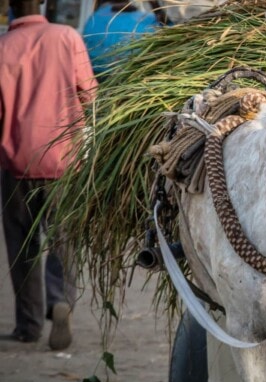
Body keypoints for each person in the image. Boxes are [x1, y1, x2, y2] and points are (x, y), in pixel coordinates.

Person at [0, 0, 97, 350]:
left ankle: (28, 325)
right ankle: (60, 301)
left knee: (22, 246)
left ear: (10, 8)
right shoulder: (66, 37)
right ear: (42, 4)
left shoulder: (2, 47)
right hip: (65, 161)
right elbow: (88, 92)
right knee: (63, 241)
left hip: (16, 164)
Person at [82, 1, 161, 77]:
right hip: (130, 75)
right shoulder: (147, 20)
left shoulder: (95, 18)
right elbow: (165, 26)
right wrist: (155, 4)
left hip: (97, 74)